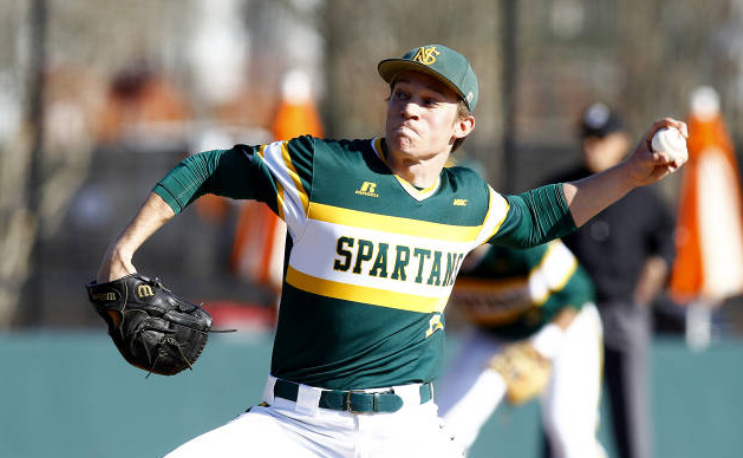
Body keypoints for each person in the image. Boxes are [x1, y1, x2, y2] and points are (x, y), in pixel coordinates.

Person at [94, 45, 687, 457]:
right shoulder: (322, 168)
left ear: (462, 125)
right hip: (293, 425)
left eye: (430, 101)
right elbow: (209, 167)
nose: (409, 106)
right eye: (401, 93)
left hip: (407, 434)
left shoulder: (466, 199)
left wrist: (634, 172)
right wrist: (123, 250)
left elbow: (540, 213)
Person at [545, 103, 677, 458]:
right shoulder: (562, 187)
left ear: (620, 142)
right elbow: (534, 238)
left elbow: (667, 239)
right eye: (588, 138)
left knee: (629, 413)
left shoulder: (645, 194)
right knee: (563, 415)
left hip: (622, 310)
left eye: (601, 138)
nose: (592, 146)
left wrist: (658, 267)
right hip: (571, 313)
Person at [437, 240, 606, 457]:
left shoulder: (520, 239)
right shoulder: (436, 247)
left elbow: (579, 291)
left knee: (569, 430)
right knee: (446, 427)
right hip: (492, 331)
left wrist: (544, 345)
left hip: (562, 324)